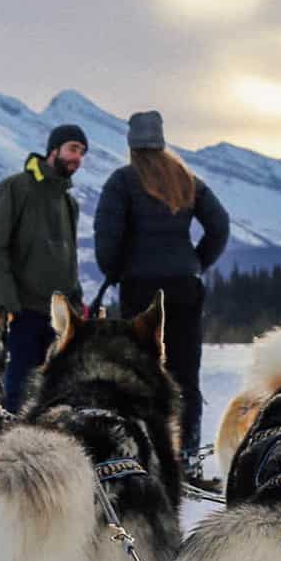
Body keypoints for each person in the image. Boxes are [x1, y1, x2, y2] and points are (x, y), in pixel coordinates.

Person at [94, 109, 230, 490]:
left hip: (140, 290)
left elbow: (107, 239)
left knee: (141, 373)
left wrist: (116, 271)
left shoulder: (122, 181)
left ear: (131, 144)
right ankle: (186, 458)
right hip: (186, 288)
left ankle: (144, 456)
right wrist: (195, 263)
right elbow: (220, 226)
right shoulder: (186, 180)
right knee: (186, 374)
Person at [0, 123, 88, 411]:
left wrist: (76, 301)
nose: (78, 157)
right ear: (54, 150)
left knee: (57, 389)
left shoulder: (68, 203)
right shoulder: (15, 188)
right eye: (73, 149)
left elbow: (69, 257)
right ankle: (8, 449)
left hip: (59, 315)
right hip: (21, 310)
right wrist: (8, 304)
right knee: (18, 390)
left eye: (82, 152)